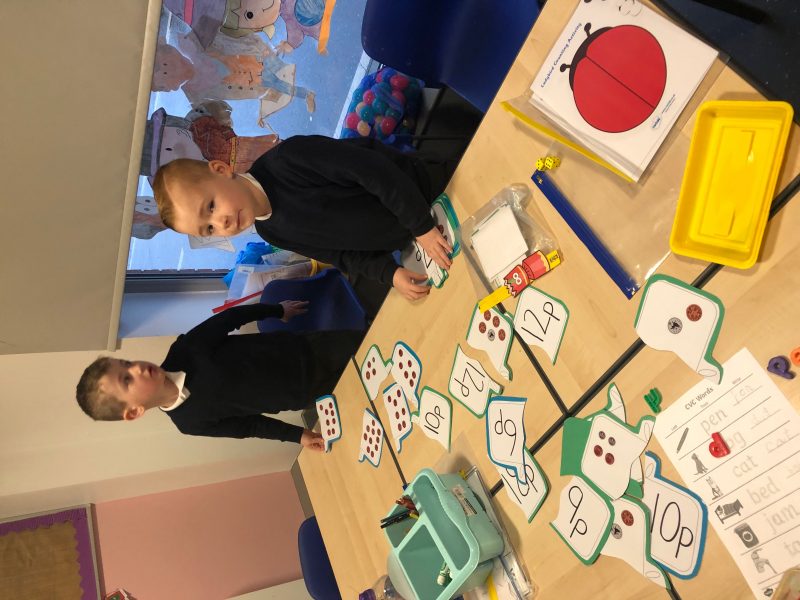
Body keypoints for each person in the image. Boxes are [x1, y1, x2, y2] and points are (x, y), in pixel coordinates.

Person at [151, 135, 456, 301]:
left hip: (435, 189)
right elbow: (342, 254)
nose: (222, 224)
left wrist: (421, 226)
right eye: (209, 229)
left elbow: (375, 171)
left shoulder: (289, 159)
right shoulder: (270, 232)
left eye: (211, 206)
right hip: (419, 240)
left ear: (221, 170)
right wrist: (389, 273)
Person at [75, 301, 363, 451]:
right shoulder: (189, 423)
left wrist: (277, 310)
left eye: (126, 363)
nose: (136, 368)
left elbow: (228, 319)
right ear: (134, 412)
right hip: (306, 393)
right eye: (126, 380)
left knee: (373, 344)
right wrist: (298, 435)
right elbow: (250, 425)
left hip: (310, 350)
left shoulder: (185, 350)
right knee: (366, 390)